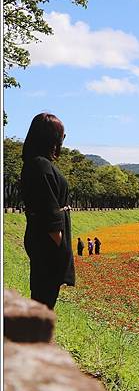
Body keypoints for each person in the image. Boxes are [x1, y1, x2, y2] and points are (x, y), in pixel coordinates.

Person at [20, 113, 75, 309]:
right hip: (48, 244)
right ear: (52, 138)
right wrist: (62, 251)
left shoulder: (38, 163)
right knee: (44, 301)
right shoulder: (40, 166)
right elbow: (48, 212)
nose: (63, 140)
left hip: (44, 242)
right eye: (62, 135)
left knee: (43, 298)